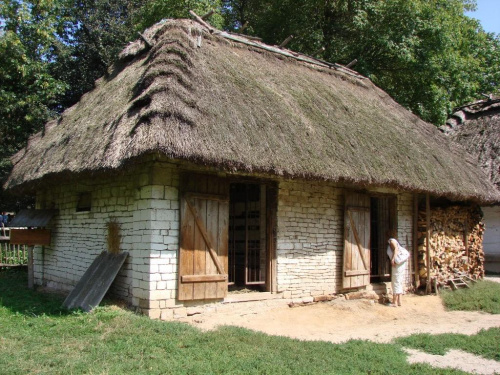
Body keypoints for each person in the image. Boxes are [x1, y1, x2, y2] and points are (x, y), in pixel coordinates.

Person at [386, 231, 408, 307]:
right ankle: (399, 301)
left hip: (397, 263)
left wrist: (393, 259)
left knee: (395, 280)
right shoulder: (394, 240)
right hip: (400, 263)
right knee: (399, 280)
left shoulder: (391, 241)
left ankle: (394, 302)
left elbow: (395, 249)